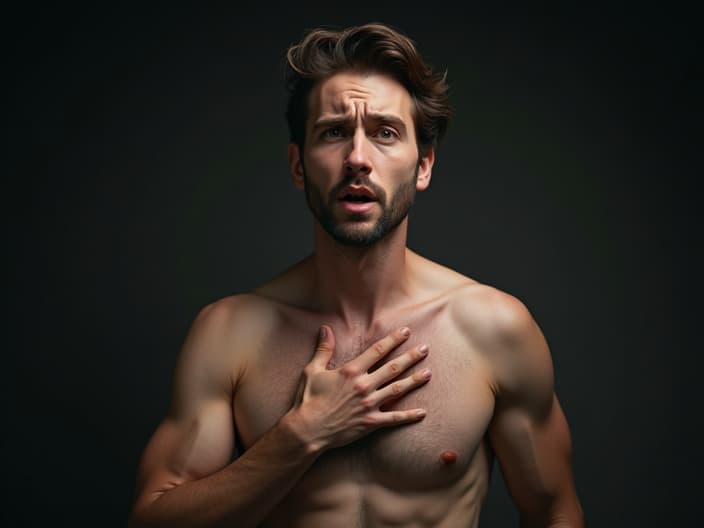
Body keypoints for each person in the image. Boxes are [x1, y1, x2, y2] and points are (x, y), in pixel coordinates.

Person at [128, 22, 584, 528]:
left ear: (424, 165)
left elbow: (554, 511)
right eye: (334, 132)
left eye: (385, 133)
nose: (358, 159)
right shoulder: (230, 333)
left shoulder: (494, 329)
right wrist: (300, 436)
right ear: (299, 165)